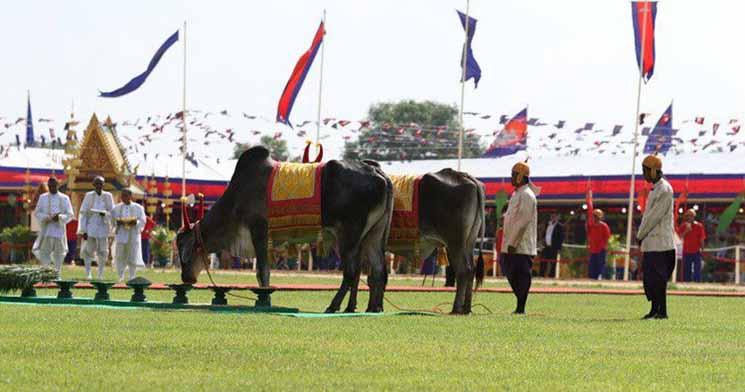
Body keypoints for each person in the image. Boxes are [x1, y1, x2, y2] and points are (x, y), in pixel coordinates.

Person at [637, 154, 676, 319]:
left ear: (653, 171)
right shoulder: (656, 189)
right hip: (652, 243)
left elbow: (654, 217)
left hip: (661, 244)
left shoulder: (664, 189)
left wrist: (640, 234)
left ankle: (662, 311)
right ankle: (654, 310)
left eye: (645, 171)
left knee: (659, 280)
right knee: (651, 279)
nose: (644, 175)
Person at [501, 160, 539, 314]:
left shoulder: (527, 195)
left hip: (521, 246)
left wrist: (513, 242)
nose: (511, 178)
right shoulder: (517, 194)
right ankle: (519, 305)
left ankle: (520, 307)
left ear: (521, 176)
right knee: (510, 272)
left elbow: (523, 221)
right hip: (511, 244)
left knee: (521, 276)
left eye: (513, 175)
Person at [31, 177, 74, 276]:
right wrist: (47, 217)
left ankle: (57, 274)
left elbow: (70, 214)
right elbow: (37, 213)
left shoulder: (64, 198)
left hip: (59, 231)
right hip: (47, 231)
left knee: (59, 253)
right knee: (44, 252)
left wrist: (59, 217)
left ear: (58, 185)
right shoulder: (43, 197)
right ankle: (46, 273)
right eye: (50, 186)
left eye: (54, 186)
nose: (52, 188)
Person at [78, 176, 114, 280]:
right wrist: (83, 230)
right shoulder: (89, 195)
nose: (99, 186)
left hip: (103, 227)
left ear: (104, 184)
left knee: (103, 251)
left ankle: (100, 274)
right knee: (88, 251)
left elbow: (113, 212)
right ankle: (88, 273)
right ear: (93, 185)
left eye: (101, 184)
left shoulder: (108, 196)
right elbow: (83, 213)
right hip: (91, 227)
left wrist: (105, 214)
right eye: (97, 184)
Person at [111, 189, 146, 282]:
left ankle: (132, 276)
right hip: (121, 234)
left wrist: (135, 222)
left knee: (133, 255)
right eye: (122, 196)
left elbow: (142, 221)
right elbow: (113, 221)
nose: (123, 198)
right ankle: (120, 275)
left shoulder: (138, 208)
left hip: (133, 234)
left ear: (131, 196)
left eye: (125, 196)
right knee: (120, 255)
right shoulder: (116, 208)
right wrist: (119, 222)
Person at [676, 209, 706, 282]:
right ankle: (686, 283)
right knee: (686, 269)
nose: (689, 217)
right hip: (686, 251)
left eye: (691, 216)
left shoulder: (699, 226)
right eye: (688, 216)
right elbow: (679, 237)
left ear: (694, 216)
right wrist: (686, 231)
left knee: (697, 270)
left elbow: (702, 238)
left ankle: (697, 283)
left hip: (696, 251)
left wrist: (702, 249)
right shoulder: (683, 226)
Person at [587, 208, 611, 279]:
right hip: (593, 249)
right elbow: (589, 234)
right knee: (592, 266)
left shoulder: (604, 226)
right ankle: (592, 278)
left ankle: (600, 278)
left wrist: (603, 246)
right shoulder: (591, 226)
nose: (593, 218)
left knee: (600, 265)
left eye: (595, 216)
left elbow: (607, 237)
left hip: (600, 249)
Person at [540, 213, 564, 278]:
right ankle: (541, 275)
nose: (553, 217)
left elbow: (561, 238)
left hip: (554, 247)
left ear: (558, 217)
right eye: (552, 216)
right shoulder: (547, 224)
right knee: (543, 260)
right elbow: (544, 234)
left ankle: (551, 276)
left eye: (555, 216)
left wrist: (559, 248)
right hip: (546, 246)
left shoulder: (560, 226)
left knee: (553, 262)